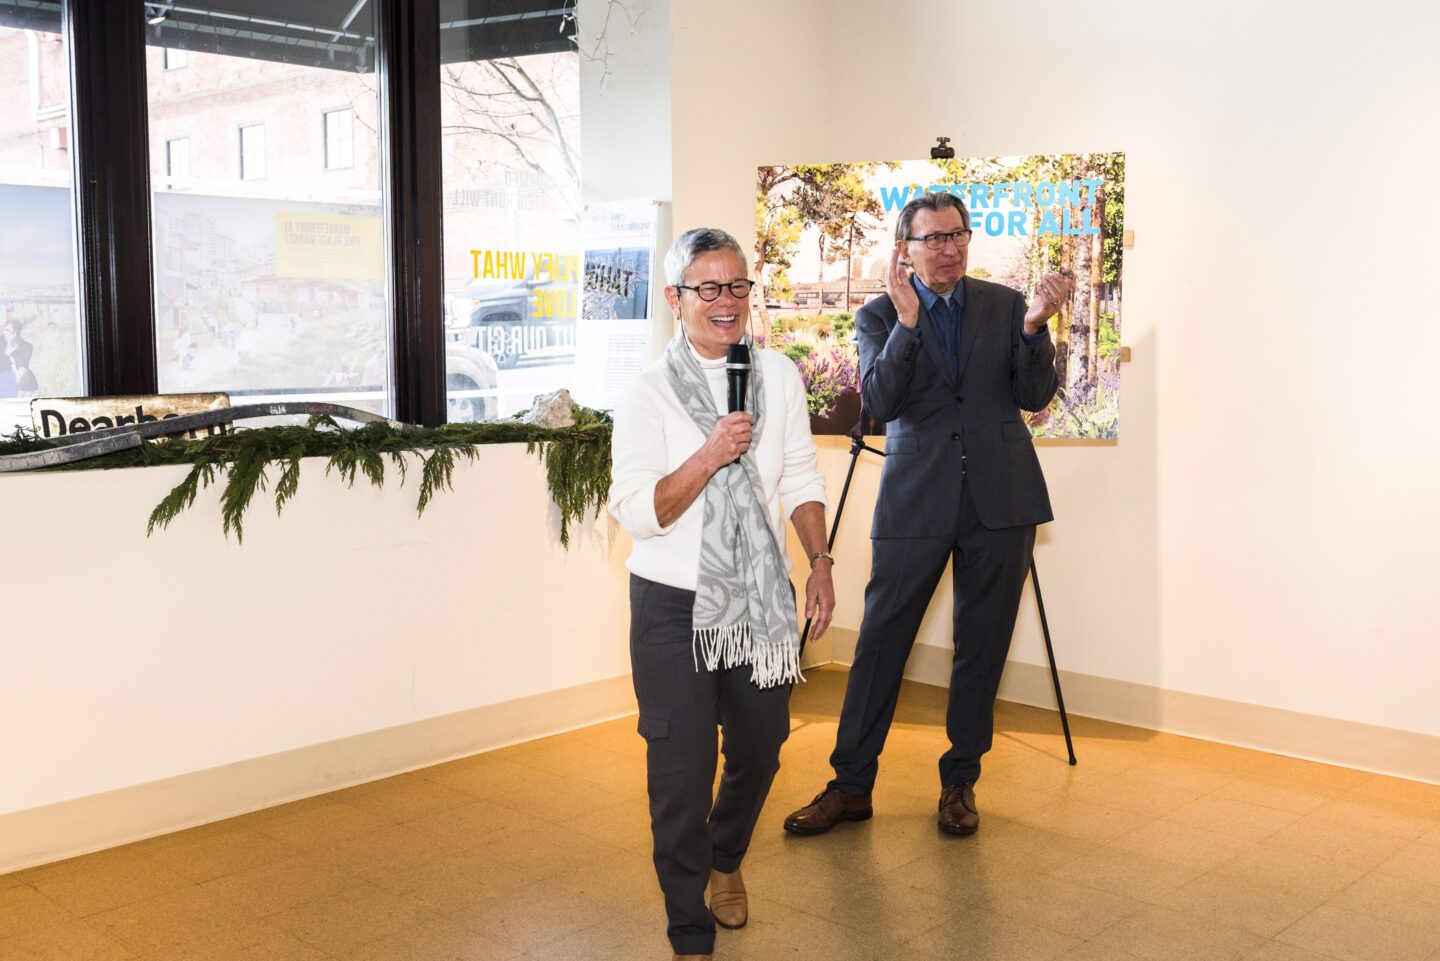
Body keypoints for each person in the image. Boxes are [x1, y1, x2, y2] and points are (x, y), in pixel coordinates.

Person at [784, 191, 1072, 839]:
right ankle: (851, 784)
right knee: (881, 644)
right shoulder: (880, 315)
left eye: (957, 235)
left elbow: (1033, 394)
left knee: (981, 647)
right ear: (905, 250)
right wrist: (910, 326)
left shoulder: (1005, 307)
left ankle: (960, 782)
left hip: (1001, 503)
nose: (948, 248)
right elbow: (881, 402)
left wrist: (1035, 329)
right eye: (933, 239)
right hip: (916, 501)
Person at [609, 227, 835, 961]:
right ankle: (688, 928)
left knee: (763, 747)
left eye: (738, 285)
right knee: (679, 770)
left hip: (758, 596)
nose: (727, 302)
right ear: (676, 299)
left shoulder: (777, 376)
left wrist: (821, 560)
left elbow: (799, 475)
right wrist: (709, 454)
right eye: (708, 288)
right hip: (673, 604)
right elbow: (640, 510)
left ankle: (726, 855)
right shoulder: (645, 393)